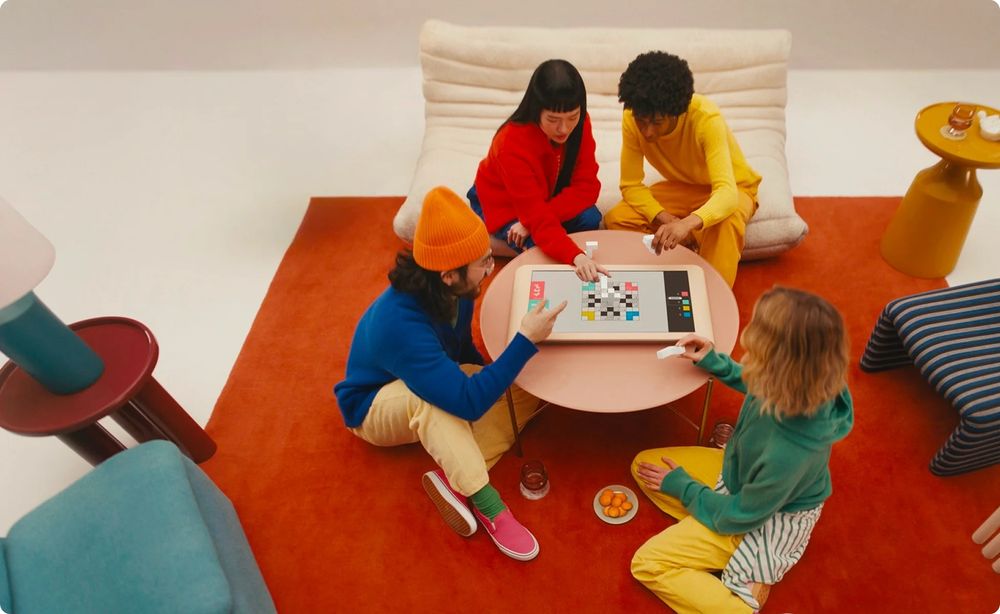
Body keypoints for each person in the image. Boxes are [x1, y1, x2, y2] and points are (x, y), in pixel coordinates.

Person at [333, 186, 567, 562]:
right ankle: (487, 503)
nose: (490, 269)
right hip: (371, 408)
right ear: (448, 275)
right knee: (433, 404)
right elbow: (469, 405)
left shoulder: (455, 290)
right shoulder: (401, 325)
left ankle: (454, 480)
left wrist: (493, 378)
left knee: (523, 388)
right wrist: (525, 340)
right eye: (484, 263)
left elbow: (459, 351)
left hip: (426, 375)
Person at [629, 287, 853, 612]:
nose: (747, 343)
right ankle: (710, 529)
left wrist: (684, 488)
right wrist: (715, 362)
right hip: (739, 475)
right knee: (643, 466)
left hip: (757, 517)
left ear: (781, 368)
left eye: (758, 343)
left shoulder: (787, 453)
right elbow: (757, 381)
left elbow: (742, 514)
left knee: (647, 563)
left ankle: (740, 595)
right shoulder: (811, 379)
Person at [604, 51, 762, 288]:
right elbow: (631, 185)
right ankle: (679, 257)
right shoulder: (631, 115)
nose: (647, 132)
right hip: (682, 188)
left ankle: (710, 295)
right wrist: (668, 219)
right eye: (642, 121)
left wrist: (687, 223)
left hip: (733, 188)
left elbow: (726, 194)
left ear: (678, 112)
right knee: (617, 218)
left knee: (726, 222)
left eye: (657, 122)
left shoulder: (705, 118)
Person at [469, 59, 608, 282]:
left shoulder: (581, 123)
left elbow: (588, 187)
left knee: (590, 219)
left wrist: (531, 221)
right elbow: (536, 214)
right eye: (553, 120)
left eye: (572, 117)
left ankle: (531, 230)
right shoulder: (510, 143)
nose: (564, 129)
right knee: (545, 258)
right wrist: (576, 256)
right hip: (505, 202)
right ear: (536, 111)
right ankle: (507, 239)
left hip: (544, 198)